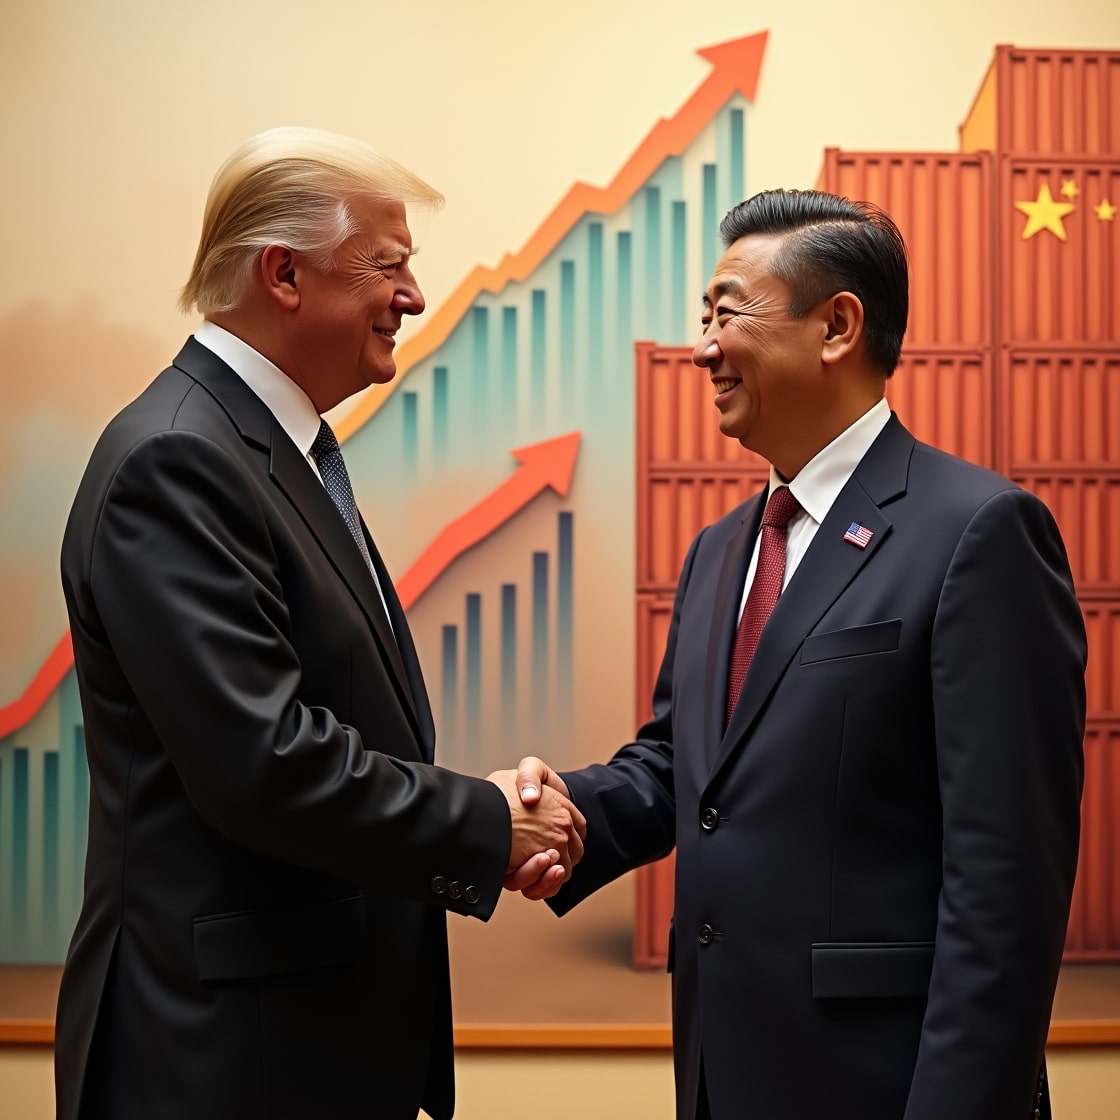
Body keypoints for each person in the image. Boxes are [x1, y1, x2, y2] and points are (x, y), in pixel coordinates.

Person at [509, 189, 1086, 1119]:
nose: (703, 347)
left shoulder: (978, 532)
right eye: (704, 318)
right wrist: (554, 813)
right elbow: (684, 770)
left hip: (884, 1087)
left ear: (837, 326)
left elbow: (1006, 888)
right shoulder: (719, 550)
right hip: (719, 1078)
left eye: (727, 312)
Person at [55, 126, 585, 1120]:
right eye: (389, 265)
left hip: (297, 1047)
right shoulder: (179, 461)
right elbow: (264, 764)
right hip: (226, 1063)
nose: (417, 296)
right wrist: (487, 825)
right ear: (284, 274)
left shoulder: (265, 451)